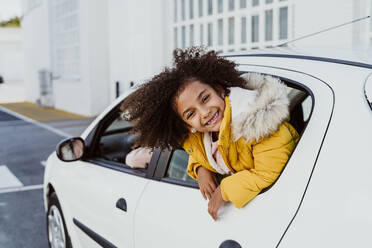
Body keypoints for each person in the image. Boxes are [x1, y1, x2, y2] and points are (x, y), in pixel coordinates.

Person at [120, 47, 299, 220]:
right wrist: (200, 169)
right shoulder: (200, 136)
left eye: (205, 98)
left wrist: (224, 190)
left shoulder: (261, 124)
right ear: (187, 125)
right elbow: (198, 153)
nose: (204, 112)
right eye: (191, 113)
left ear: (220, 90)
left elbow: (266, 173)